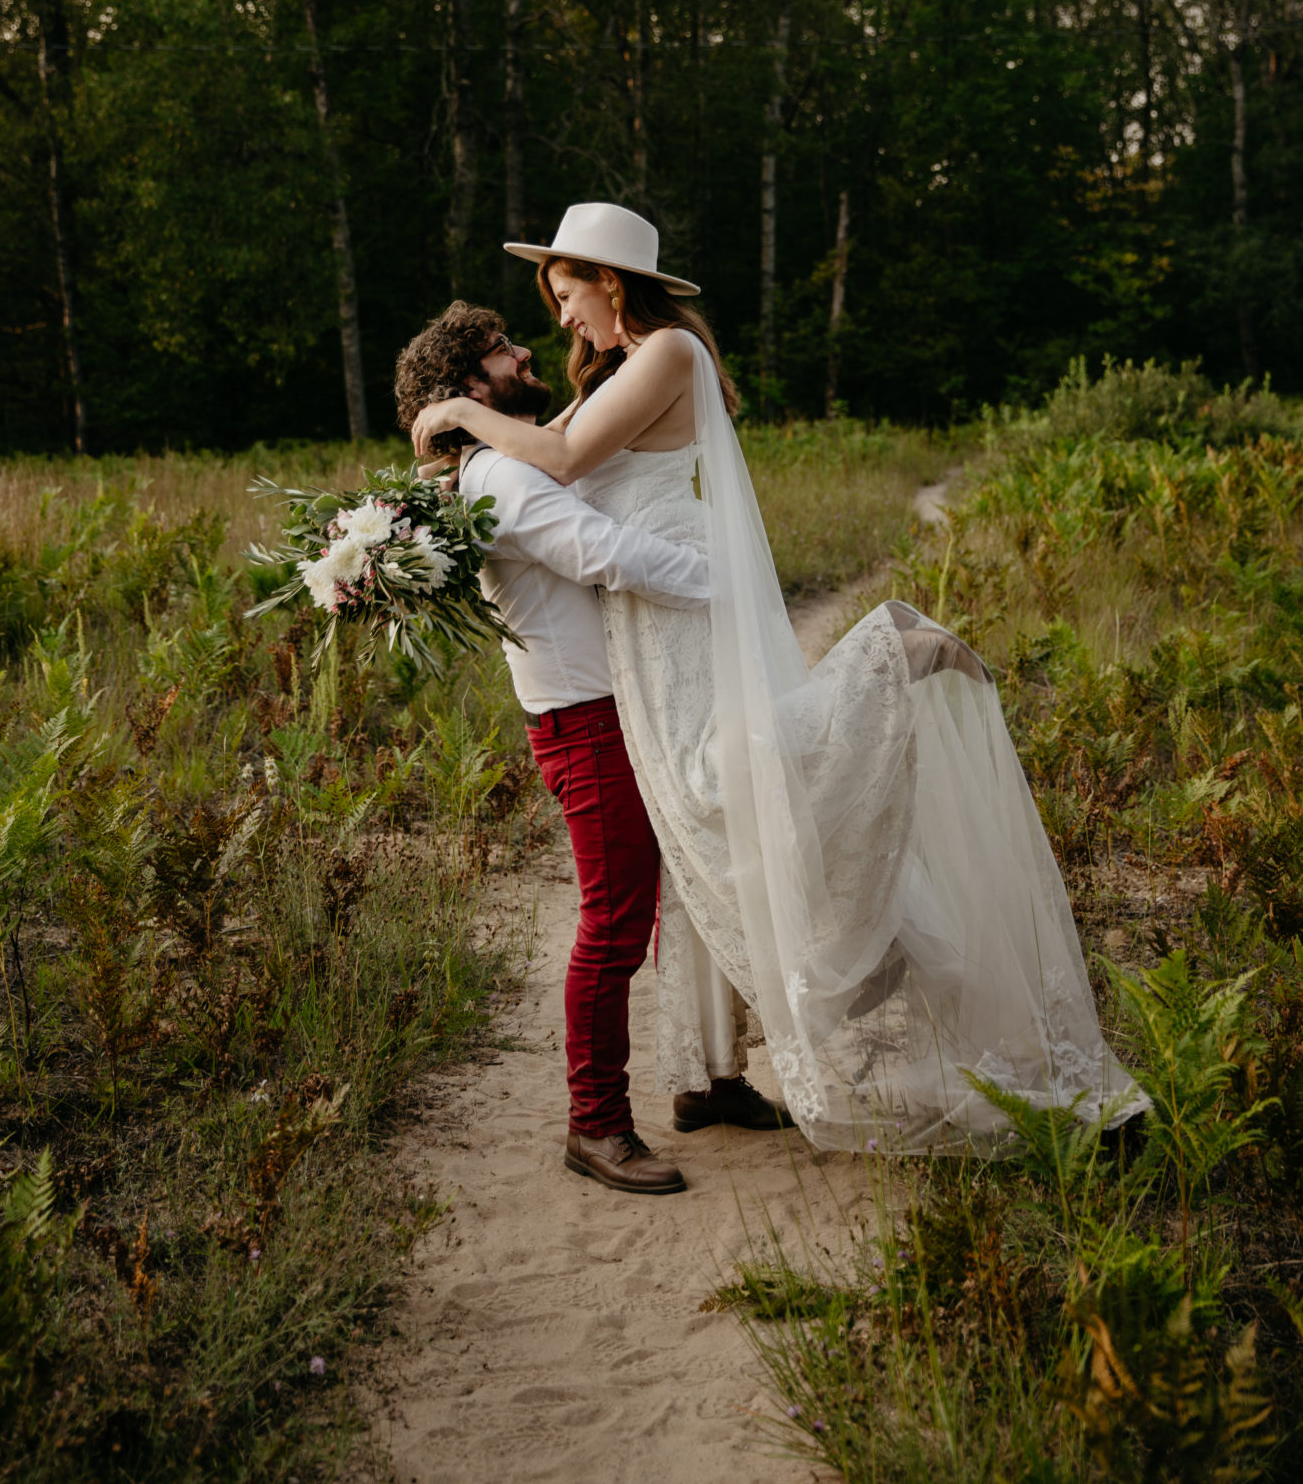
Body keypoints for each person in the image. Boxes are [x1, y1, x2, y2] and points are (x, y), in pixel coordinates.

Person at [410, 207, 1147, 1155]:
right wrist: (431, 487)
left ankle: (885, 655)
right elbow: (538, 464)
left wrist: (458, 413)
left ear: (610, 281)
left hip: (674, 613)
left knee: (732, 791)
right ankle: (716, 1074)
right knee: (705, 827)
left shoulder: (667, 351)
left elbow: (552, 461)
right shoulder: (617, 371)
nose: (560, 324)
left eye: (565, 297)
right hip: (643, 633)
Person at [393, 302, 789, 1197]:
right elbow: (609, 556)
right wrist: (734, 582)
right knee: (613, 927)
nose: (526, 349)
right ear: (469, 388)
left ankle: (711, 1080)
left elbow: (585, 431)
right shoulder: (501, 479)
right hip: (586, 722)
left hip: (624, 705)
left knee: (693, 884)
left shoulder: (502, 463)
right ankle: (595, 1124)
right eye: (500, 352)